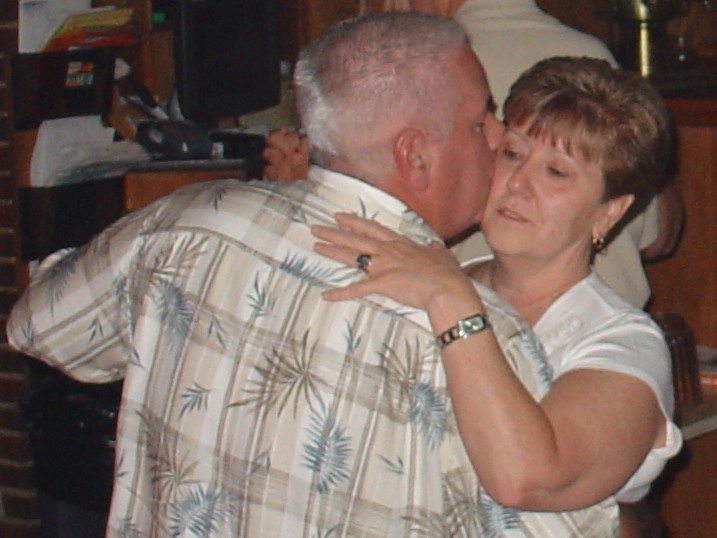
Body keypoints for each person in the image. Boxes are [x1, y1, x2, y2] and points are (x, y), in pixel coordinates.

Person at [6, 13, 618, 537]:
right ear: (414, 155)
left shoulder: (186, 228)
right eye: (481, 118)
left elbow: (38, 326)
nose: (500, 137)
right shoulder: (473, 338)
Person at [310, 56, 683, 534]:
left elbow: (527, 480)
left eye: (556, 172)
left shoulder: (625, 344)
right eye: (512, 154)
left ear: (609, 212)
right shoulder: (436, 275)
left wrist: (451, 301)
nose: (518, 183)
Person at [263, 0, 684, 309]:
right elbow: (659, 234)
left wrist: (312, 198)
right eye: (512, 153)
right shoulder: (590, 52)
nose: (497, 145)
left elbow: (382, 218)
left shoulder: (420, 64)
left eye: (555, 171)